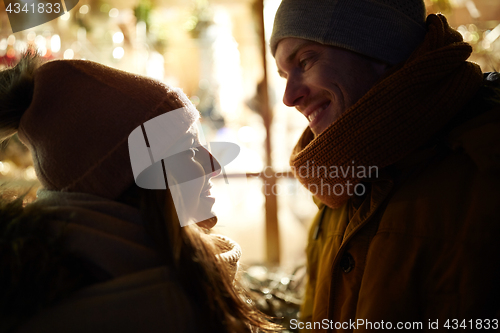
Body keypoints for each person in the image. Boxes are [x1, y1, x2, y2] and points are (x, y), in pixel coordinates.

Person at [0, 50, 280, 333]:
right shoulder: (168, 309)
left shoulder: (74, 285)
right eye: (190, 151)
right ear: (134, 181)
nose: (214, 164)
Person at [270, 0, 500, 331]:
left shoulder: (485, 170)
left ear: (380, 48)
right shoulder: (336, 179)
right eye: (283, 74)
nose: (289, 97)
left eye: (305, 61)